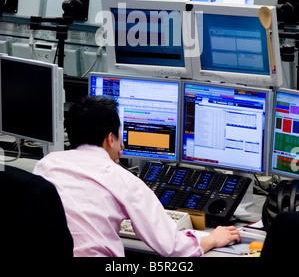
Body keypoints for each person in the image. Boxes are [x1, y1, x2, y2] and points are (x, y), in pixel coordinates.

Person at [33, 95, 241, 257]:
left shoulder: (47, 165)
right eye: (119, 137)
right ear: (110, 139)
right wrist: (212, 239)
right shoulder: (125, 181)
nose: (122, 147)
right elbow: (172, 247)